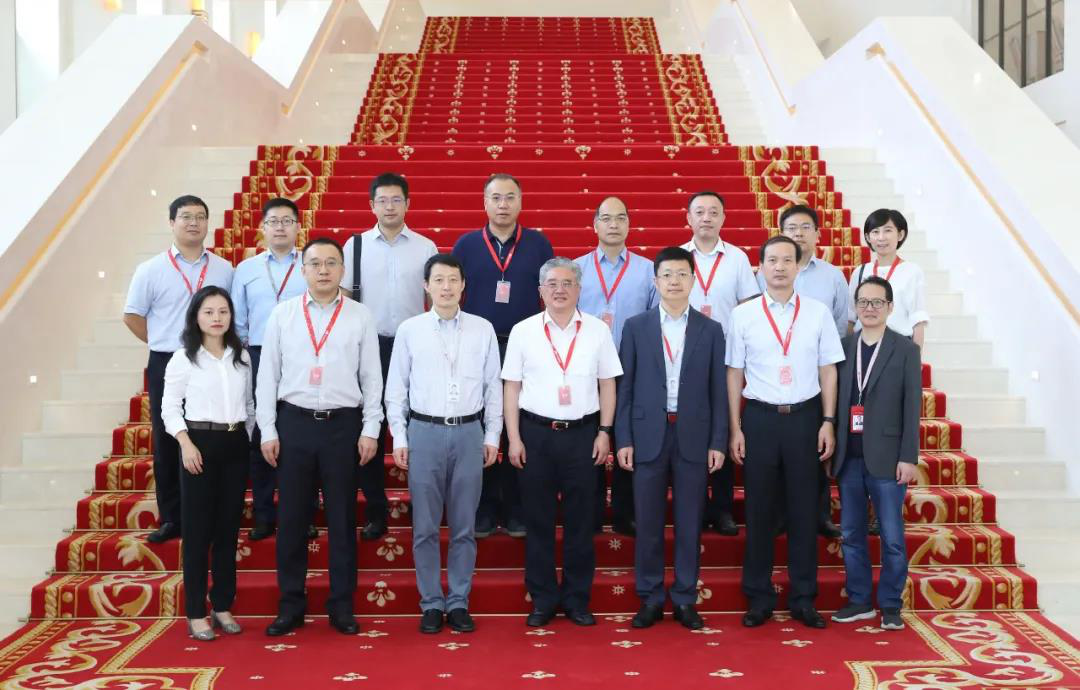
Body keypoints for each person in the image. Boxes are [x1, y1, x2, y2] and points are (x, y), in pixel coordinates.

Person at [257, 238, 383, 636]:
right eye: (315, 263)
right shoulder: (283, 315)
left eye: (331, 263)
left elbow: (372, 378)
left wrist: (371, 428)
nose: (324, 270)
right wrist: (267, 429)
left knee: (342, 520)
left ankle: (341, 606)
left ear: (343, 269)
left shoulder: (360, 315)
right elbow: (267, 376)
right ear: (303, 270)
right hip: (293, 424)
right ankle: (290, 605)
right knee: (292, 519)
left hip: (343, 426)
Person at [727, 236, 844, 629]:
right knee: (759, 510)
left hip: (805, 418)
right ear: (760, 267)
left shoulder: (817, 312)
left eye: (787, 260)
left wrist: (828, 420)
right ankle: (758, 597)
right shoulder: (743, 315)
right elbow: (734, 373)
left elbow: (829, 369)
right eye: (772, 260)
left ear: (798, 266)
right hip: (760, 418)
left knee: (804, 510)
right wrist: (735, 427)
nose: (779, 267)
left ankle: (803, 598)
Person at [385, 254, 503, 635]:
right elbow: (396, 389)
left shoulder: (483, 329)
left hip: (469, 432)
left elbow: (494, 388)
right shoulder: (410, 330)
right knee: (424, 526)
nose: (446, 287)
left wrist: (492, 435)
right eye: (438, 280)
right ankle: (432, 602)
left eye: (453, 279)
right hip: (425, 431)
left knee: (464, 525)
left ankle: (459, 601)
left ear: (463, 285)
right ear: (426, 286)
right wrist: (399, 435)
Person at [502, 257, 621, 627]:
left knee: (580, 523)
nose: (559, 290)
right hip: (535, 434)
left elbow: (607, 384)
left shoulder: (597, 331)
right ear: (541, 290)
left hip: (583, 435)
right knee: (537, 522)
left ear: (579, 289)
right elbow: (511, 388)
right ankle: (542, 599)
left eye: (567, 283)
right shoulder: (523, 331)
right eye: (552, 283)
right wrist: (514, 438)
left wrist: (605, 431)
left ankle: (576, 599)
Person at [615, 246, 728, 631]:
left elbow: (718, 390)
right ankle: (649, 597)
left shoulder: (711, 330)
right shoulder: (636, 327)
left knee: (689, 522)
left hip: (693, 434)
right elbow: (626, 387)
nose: (674, 281)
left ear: (693, 280)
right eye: (667, 275)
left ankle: (684, 598)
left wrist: (718, 441)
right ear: (656, 281)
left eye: (682, 274)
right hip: (648, 433)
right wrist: (623, 437)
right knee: (647, 521)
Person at [123, 195, 234, 544]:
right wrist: (161, 343)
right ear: (172, 223)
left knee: (210, 434)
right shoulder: (151, 269)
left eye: (200, 216)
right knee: (168, 437)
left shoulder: (224, 269)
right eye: (186, 216)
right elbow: (132, 316)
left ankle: (209, 512)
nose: (193, 223)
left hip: (212, 359)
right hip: (168, 360)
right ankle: (173, 516)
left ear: (207, 223)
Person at [452, 173, 554, 539]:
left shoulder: (539, 244)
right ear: (485, 202)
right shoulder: (466, 245)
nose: (503, 204)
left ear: (520, 202)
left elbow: (550, 294)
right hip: (477, 345)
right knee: (480, 420)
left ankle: (515, 507)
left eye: (510, 197)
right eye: (496, 197)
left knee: (517, 425)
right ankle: (483, 506)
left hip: (524, 344)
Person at [341, 173, 437, 541]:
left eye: (397, 200)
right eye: (382, 200)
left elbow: (434, 300)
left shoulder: (426, 247)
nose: (390, 206)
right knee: (372, 427)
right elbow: (345, 300)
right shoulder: (355, 246)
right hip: (370, 347)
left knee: (418, 424)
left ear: (408, 203)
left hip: (414, 346)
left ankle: (424, 506)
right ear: (372, 205)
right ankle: (376, 510)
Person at [161, 286, 254, 641]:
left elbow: (249, 405)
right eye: (209, 312)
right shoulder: (184, 358)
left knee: (228, 530)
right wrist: (185, 443)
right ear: (196, 317)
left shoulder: (241, 356)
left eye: (223, 312)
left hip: (235, 444)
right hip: (198, 444)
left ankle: (223, 604)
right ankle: (196, 611)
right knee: (198, 532)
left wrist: (246, 437)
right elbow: (169, 408)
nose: (217, 318)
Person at [830, 276, 921, 631]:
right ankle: (859, 601)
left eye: (877, 302)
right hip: (849, 458)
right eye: (863, 302)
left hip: (888, 457)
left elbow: (912, 407)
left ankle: (891, 604)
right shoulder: (842, 347)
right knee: (852, 534)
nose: (869, 308)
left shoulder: (905, 349)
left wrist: (908, 457)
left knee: (892, 538)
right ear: (855, 307)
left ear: (890, 307)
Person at [230, 198, 317, 542]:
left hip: (303, 356)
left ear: (298, 226)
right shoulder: (246, 269)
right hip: (257, 354)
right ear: (263, 228)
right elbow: (238, 319)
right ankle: (264, 514)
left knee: (301, 438)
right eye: (273, 221)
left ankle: (303, 515)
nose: (280, 227)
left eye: (287, 221)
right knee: (259, 436)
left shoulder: (311, 263)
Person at [762, 204, 848, 539]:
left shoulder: (832, 276)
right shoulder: (768, 271)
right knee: (778, 452)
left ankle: (820, 514)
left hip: (817, 373)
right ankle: (780, 514)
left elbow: (842, 324)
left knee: (816, 449)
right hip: (775, 376)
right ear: (781, 233)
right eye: (791, 228)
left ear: (817, 234)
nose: (798, 233)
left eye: (805, 227)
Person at [573, 196, 657, 536]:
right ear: (595, 225)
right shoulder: (576, 269)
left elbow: (654, 320)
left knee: (628, 437)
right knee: (588, 438)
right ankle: (590, 511)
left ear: (629, 224)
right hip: (584, 368)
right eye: (606, 218)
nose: (613, 224)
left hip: (630, 367)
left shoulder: (647, 269)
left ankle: (626, 512)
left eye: (620, 218)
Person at [680, 191, 758, 537]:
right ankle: (696, 505)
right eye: (700, 212)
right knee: (693, 429)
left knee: (724, 426)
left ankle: (723, 507)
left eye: (714, 212)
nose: (707, 218)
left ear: (724, 218)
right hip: (686, 357)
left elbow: (750, 307)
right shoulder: (679, 257)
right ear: (689, 218)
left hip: (728, 357)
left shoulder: (737, 258)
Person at [847, 209, 929, 348]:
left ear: (900, 234)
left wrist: (916, 357)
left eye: (888, 230)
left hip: (898, 346)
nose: (881, 237)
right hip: (863, 344)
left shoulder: (912, 271)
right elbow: (851, 317)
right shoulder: (860, 271)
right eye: (875, 232)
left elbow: (918, 320)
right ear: (867, 237)